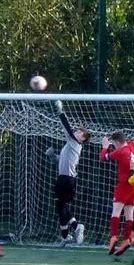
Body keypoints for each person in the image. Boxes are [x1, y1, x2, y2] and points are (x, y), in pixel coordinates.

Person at [99, 132, 134, 255]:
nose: (114, 146)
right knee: (129, 215)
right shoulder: (133, 144)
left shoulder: (120, 151)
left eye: (113, 144)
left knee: (116, 212)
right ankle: (126, 240)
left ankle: (113, 238)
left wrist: (105, 147)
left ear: (117, 142)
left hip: (124, 184)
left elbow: (102, 158)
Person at [45, 100, 91, 246]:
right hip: (64, 178)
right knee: (61, 208)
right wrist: (53, 157)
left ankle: (76, 228)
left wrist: (60, 111)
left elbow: (67, 129)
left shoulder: (75, 143)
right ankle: (66, 236)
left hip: (67, 180)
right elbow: (62, 161)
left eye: (79, 132)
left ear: (82, 139)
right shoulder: (70, 145)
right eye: (77, 131)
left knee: (61, 207)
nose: (76, 132)